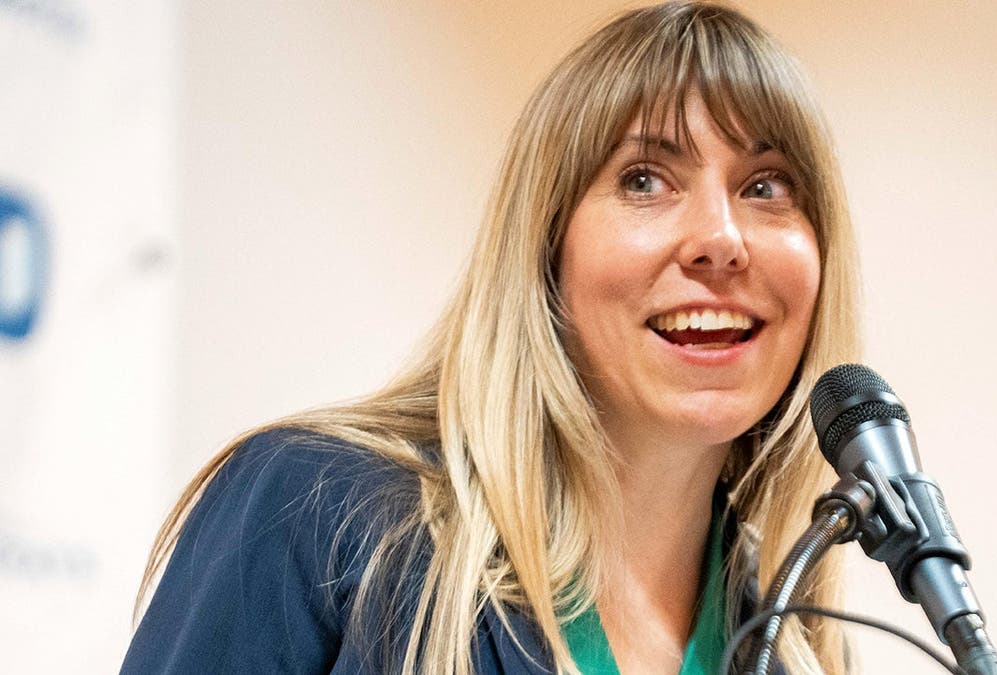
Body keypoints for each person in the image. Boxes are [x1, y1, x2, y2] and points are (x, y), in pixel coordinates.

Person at [122, 2, 861, 673]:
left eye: (765, 185)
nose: (720, 239)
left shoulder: (792, 641)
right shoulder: (316, 514)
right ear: (545, 252)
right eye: (644, 179)